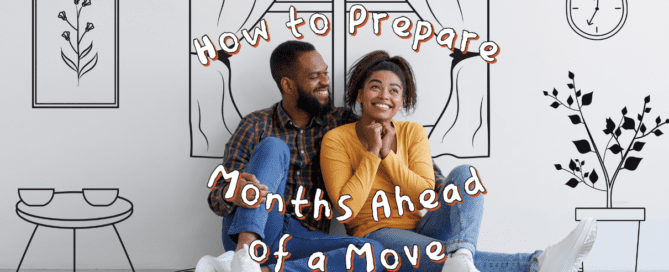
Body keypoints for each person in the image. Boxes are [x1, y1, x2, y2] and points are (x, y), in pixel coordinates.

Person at [319, 50, 598, 272]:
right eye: (375, 87)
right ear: (359, 94)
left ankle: (462, 253)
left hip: (424, 226)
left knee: (465, 173)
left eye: (394, 90)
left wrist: (389, 157)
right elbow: (347, 210)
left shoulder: (412, 132)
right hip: (375, 234)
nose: (384, 96)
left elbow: (427, 196)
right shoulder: (337, 139)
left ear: (402, 100)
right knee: (443, 257)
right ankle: (537, 264)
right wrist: (371, 154)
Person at [200, 41, 434, 272]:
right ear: (288, 85)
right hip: (260, 226)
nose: (326, 82)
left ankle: (260, 270)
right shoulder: (255, 125)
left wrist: (442, 188)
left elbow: (400, 151)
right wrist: (234, 192)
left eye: (325, 73)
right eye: (315, 76)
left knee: (373, 253)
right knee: (274, 147)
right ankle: (245, 253)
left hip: (302, 238)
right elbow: (217, 197)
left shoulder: (341, 122)